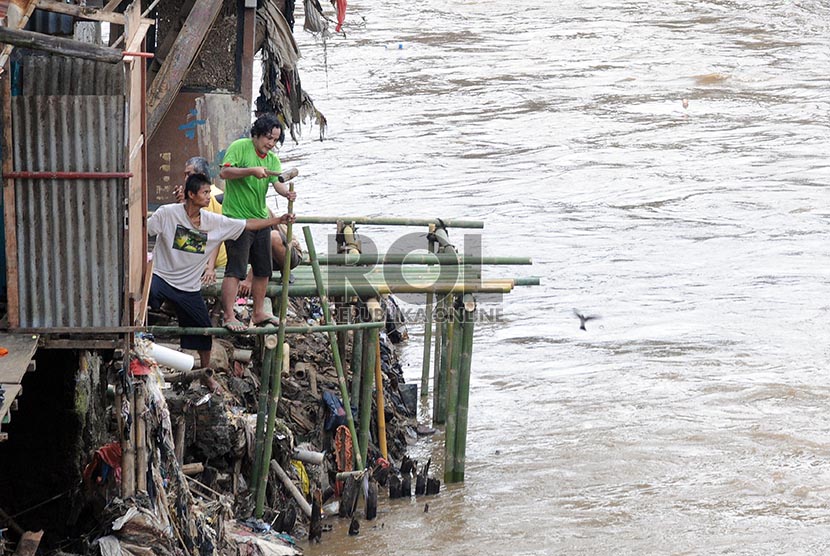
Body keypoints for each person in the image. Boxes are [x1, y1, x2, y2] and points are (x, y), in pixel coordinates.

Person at [148, 173, 294, 367]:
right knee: (144, 300)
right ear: (191, 194)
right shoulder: (167, 213)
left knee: (205, 331)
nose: (210, 196)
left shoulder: (213, 221)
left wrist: (277, 221)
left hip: (188, 287)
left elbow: (247, 224)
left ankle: (205, 373)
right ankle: (140, 346)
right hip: (161, 278)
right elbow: (142, 231)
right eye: (205, 192)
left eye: (210, 192)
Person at [219, 114, 297, 331]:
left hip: (261, 219)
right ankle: (228, 315)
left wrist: (287, 195)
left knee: (263, 269)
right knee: (235, 269)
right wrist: (250, 171)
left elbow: (278, 183)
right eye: (267, 138)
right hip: (237, 219)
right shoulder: (240, 147)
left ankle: (259, 311)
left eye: (274, 140)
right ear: (256, 135)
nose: (270, 144)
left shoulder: (272, 160)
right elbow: (224, 172)